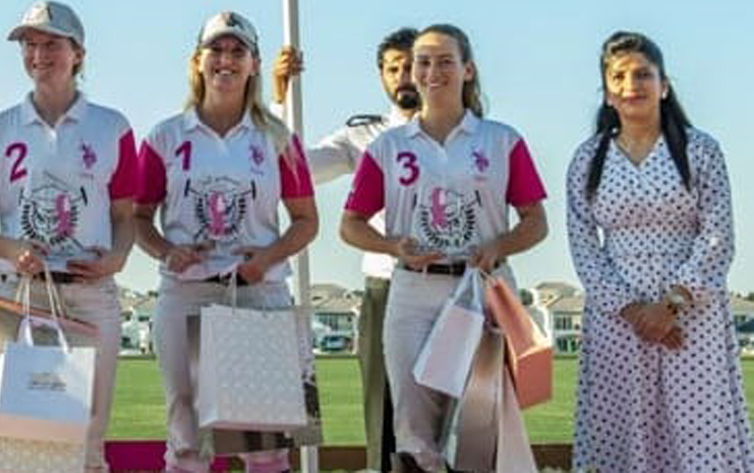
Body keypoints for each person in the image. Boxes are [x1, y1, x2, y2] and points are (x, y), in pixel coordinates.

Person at [340, 24, 548, 472]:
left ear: (468, 70)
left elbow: (536, 222)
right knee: (414, 429)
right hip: (414, 293)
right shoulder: (388, 146)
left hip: (482, 290)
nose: (433, 71)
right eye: (423, 62)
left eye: (445, 61)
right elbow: (350, 226)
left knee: (480, 424)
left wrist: (498, 244)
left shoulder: (501, 140)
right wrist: (392, 245)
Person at [133, 10, 318, 473]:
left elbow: (305, 221)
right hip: (187, 292)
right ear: (197, 61)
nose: (226, 60)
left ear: (254, 65)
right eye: (215, 49)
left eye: (238, 51)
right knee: (186, 433)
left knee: (266, 437)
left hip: (259, 292)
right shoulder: (164, 137)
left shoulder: (278, 139)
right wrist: (166, 250)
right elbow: (137, 218)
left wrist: (267, 257)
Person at [567, 31, 754, 472]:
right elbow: (583, 246)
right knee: (623, 431)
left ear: (663, 85)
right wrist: (635, 312)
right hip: (617, 317)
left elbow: (717, 236)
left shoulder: (700, 150)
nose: (631, 85)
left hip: (692, 312)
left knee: (696, 430)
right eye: (619, 77)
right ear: (607, 92)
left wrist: (670, 306)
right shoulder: (587, 159)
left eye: (643, 75)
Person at [0, 0, 138, 472]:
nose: (38, 54)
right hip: (19, 294)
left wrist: (117, 258)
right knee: (12, 440)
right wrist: (10, 248)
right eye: (29, 44)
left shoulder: (113, 127)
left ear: (78, 53)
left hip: (90, 296)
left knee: (86, 443)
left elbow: (126, 216)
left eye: (51, 44)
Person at [272, 27, 419, 472]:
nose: (404, 76)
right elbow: (297, 168)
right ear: (381, 77)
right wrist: (281, 99)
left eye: (412, 65)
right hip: (387, 284)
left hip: (451, 283)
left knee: (461, 409)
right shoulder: (366, 136)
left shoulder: (464, 135)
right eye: (393, 68)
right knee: (384, 406)